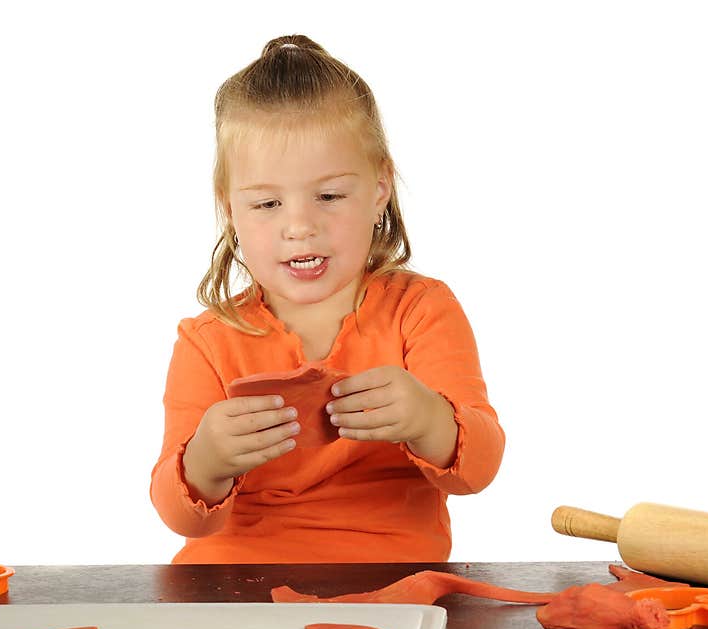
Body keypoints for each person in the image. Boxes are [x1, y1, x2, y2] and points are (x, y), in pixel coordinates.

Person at [150, 34, 505, 563]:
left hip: (389, 583)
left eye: (330, 196)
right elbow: (179, 515)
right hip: (228, 585)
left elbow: (478, 469)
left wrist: (429, 419)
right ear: (229, 208)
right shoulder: (207, 341)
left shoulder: (420, 311)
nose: (300, 226)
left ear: (379, 187)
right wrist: (207, 459)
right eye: (267, 203)